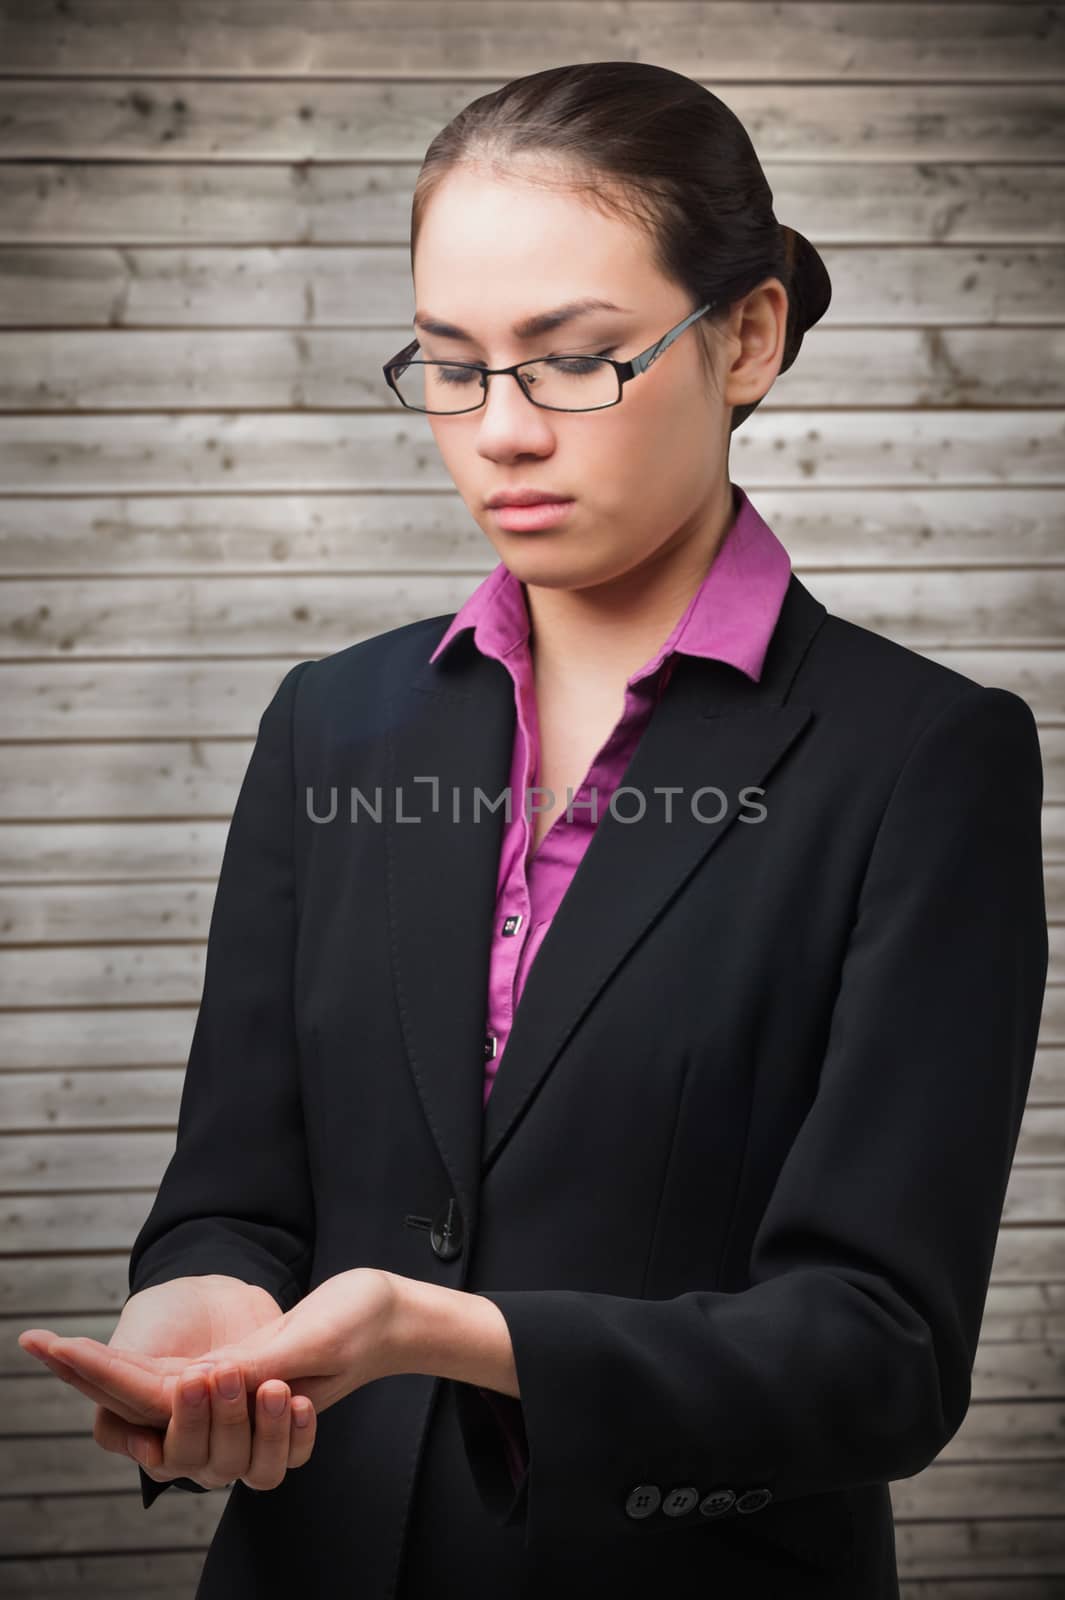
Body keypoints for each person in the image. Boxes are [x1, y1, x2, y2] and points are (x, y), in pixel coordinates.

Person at [18, 60, 1048, 1600]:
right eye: (449, 363)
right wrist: (196, 1309)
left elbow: (878, 1354)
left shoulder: (920, 760)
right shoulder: (334, 721)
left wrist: (448, 1338)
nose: (498, 432)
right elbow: (236, 1188)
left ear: (747, 336)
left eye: (573, 361)